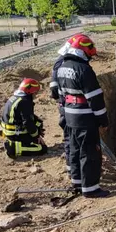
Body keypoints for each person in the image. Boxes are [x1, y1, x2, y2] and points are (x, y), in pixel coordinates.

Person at [56, 33, 111, 198]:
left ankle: (77, 182)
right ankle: (91, 188)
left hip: (70, 116)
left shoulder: (62, 67)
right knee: (90, 153)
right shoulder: (84, 69)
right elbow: (95, 99)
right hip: (85, 117)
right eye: (89, 54)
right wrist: (103, 120)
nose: (90, 57)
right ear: (83, 50)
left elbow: (60, 95)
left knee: (74, 150)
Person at [1, 78, 47, 158]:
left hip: (9, 130)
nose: (35, 95)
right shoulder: (25, 101)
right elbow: (27, 123)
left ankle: (28, 140)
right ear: (30, 92)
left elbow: (26, 116)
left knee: (38, 122)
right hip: (14, 133)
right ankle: (13, 148)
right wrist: (36, 136)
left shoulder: (16, 97)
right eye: (35, 92)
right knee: (42, 149)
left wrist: (37, 129)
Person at [50, 41, 71, 174]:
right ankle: (75, 172)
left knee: (69, 139)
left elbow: (53, 90)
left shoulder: (58, 64)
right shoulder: (67, 64)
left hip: (65, 106)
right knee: (73, 139)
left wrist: (61, 102)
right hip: (73, 108)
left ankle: (72, 171)